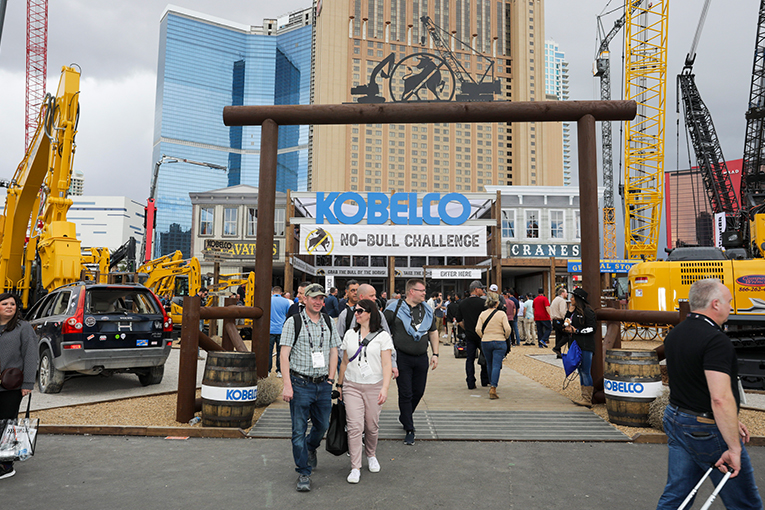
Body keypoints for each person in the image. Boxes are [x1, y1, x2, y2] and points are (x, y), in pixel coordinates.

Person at [656, 279, 763, 509]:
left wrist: (732, 419)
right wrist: (734, 447)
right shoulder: (716, 341)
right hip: (706, 428)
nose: (731, 308)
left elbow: (694, 385)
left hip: (677, 418)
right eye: (729, 302)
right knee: (745, 502)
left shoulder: (675, 335)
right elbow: (719, 397)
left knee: (678, 496)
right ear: (715, 304)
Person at [280, 284, 341, 492]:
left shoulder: (328, 322)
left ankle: (311, 447)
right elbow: (284, 355)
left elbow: (334, 351)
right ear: (304, 299)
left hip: (323, 384)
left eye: (321, 298)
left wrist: (331, 379)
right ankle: (303, 472)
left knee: (322, 425)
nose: (318, 302)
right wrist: (287, 385)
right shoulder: (293, 322)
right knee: (298, 430)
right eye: (314, 298)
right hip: (300, 384)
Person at [337, 299, 394, 484]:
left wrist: (385, 388)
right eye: (355, 311)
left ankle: (371, 454)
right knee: (354, 426)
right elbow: (344, 362)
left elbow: (387, 364)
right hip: (352, 385)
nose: (357, 314)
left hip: (374, 385)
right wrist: (339, 385)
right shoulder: (349, 335)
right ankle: (355, 466)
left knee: (371, 425)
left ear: (370, 313)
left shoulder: (383, 336)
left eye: (360, 311)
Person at [384, 279, 439, 446]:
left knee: (419, 392)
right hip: (402, 357)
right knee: (406, 393)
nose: (424, 293)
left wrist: (435, 353)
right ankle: (409, 428)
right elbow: (383, 331)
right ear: (411, 292)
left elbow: (433, 332)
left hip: (422, 357)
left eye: (424, 290)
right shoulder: (394, 309)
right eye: (421, 290)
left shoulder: (427, 310)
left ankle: (404, 415)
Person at [0, 293, 38, 480]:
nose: (9, 306)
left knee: (7, 424)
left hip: (11, 386)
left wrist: (28, 383)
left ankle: (6, 465)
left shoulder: (23, 328)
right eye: (4, 303)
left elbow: (31, 355)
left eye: (13, 304)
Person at [344, 284, 398, 379]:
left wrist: (392, 363)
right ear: (361, 297)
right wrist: (346, 361)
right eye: (372, 296)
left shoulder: (379, 315)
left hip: (373, 369)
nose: (375, 298)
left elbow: (388, 340)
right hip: (351, 370)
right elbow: (339, 341)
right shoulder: (345, 314)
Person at [475, 292, 512, 400]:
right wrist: (505, 336)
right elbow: (508, 328)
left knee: (489, 364)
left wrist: (483, 336)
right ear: (497, 303)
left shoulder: (482, 314)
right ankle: (493, 387)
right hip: (499, 340)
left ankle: (491, 383)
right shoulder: (501, 314)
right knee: (496, 364)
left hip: (486, 341)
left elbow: (477, 329)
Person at [564, 288, 596, 407]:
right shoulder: (574, 312)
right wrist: (569, 312)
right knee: (580, 370)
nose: (570, 299)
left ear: (578, 299)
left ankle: (587, 399)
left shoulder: (588, 312)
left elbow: (592, 328)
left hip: (586, 345)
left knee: (585, 371)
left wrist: (577, 330)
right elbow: (565, 323)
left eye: (572, 297)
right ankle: (584, 396)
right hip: (576, 344)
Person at [456, 280, 490, 389]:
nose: (483, 291)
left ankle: (470, 382)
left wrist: (467, 328)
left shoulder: (463, 303)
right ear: (476, 289)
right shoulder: (483, 303)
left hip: (470, 334)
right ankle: (485, 380)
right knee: (485, 357)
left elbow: (459, 320)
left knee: (470, 359)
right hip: (482, 335)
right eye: (481, 289)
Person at [269, 286, 292, 377]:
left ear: (272, 292)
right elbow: (288, 314)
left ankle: (268, 371)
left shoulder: (268, 300)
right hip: (281, 329)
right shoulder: (286, 301)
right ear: (281, 293)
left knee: (269, 351)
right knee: (281, 352)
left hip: (270, 329)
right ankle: (279, 371)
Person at [550, 287, 569, 358]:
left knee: (558, 336)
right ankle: (557, 347)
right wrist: (566, 320)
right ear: (562, 293)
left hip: (555, 320)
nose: (567, 294)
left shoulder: (554, 299)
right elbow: (562, 311)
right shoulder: (562, 301)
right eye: (566, 292)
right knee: (567, 335)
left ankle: (559, 353)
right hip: (560, 319)